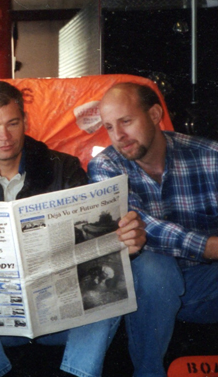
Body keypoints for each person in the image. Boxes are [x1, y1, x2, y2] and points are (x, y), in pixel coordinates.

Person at [0, 81, 146, 377]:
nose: (4, 137)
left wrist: (124, 240)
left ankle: (79, 373)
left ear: (25, 122)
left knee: (107, 292)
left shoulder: (64, 167)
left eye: (12, 123)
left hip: (62, 314)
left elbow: (98, 240)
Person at [84, 82, 218, 376]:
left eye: (126, 121)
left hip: (205, 281)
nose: (118, 136)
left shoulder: (209, 155)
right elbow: (138, 224)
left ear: (155, 114)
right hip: (151, 287)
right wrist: (208, 246)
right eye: (109, 127)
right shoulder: (105, 167)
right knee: (155, 266)